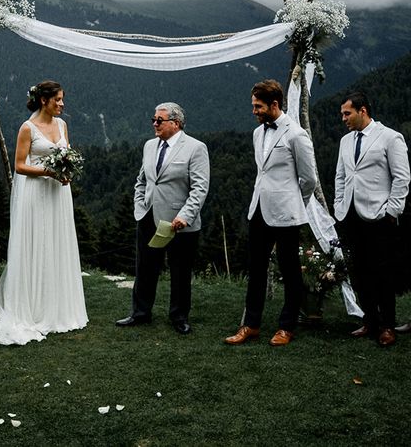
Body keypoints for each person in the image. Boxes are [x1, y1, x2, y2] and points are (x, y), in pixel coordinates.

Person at [0, 80, 88, 345]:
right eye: (57, 100)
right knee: (37, 243)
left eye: (62, 99)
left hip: (58, 195)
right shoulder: (27, 128)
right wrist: (49, 171)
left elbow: (66, 154)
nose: (61, 104)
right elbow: (20, 166)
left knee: (57, 244)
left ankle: (58, 308)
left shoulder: (62, 126)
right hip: (35, 194)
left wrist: (66, 172)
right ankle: (33, 308)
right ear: (43, 100)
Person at [225, 79, 317, 347]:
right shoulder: (257, 133)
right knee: (256, 270)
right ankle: (251, 325)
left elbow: (309, 179)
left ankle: (286, 327)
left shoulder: (296, 134)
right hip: (259, 211)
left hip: (286, 214)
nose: (254, 111)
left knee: (290, 271)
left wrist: (293, 203)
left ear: (274, 105)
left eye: (258, 106)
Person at [116, 102, 209, 334]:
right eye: (153, 119)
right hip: (148, 217)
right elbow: (142, 181)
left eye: (160, 120)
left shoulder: (196, 148)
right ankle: (140, 313)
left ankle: (179, 317)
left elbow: (200, 188)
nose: (154, 124)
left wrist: (185, 217)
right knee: (145, 268)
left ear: (175, 123)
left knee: (180, 271)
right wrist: (140, 208)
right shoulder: (149, 146)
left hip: (179, 223)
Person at [333, 92, 410, 347]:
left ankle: (388, 325)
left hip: (379, 216)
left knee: (382, 272)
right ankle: (370, 320)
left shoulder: (389, 137)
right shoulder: (345, 141)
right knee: (359, 271)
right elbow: (341, 177)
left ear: (362, 111)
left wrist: (392, 211)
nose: (343, 118)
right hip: (350, 215)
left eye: (347, 113)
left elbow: (402, 178)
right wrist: (338, 206)